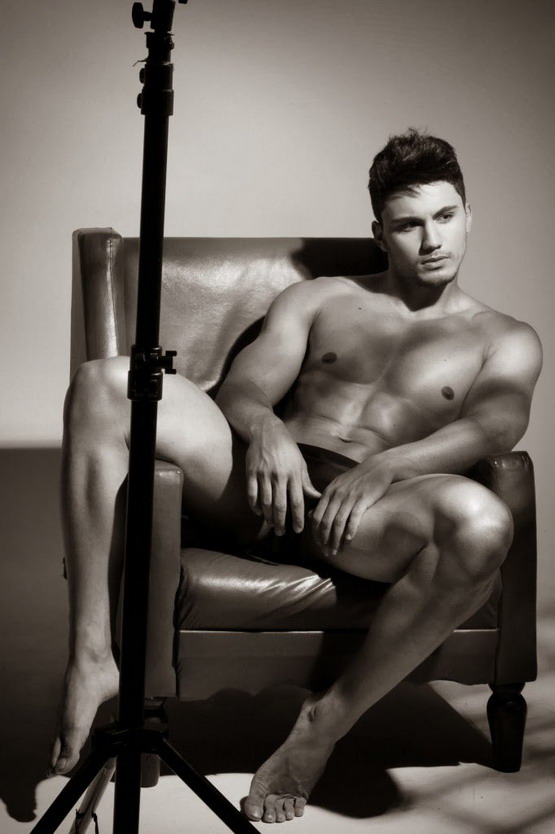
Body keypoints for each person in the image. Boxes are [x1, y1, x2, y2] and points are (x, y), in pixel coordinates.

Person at [50, 129, 542, 824]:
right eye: (408, 224)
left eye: (444, 216)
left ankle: (322, 725)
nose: (432, 240)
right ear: (379, 233)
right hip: (255, 485)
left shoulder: (504, 336)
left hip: (368, 515)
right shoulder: (322, 297)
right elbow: (245, 389)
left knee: (483, 523)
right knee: (105, 382)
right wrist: (267, 430)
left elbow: (495, 426)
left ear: (468, 216)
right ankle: (93, 656)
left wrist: (385, 466)